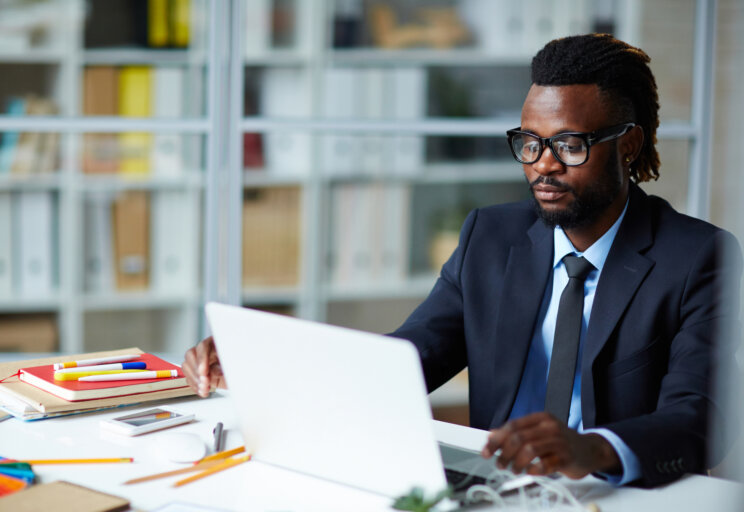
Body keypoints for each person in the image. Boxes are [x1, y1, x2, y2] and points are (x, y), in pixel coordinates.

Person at [182, 34, 741, 488]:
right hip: (495, 486)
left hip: (610, 491)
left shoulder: (698, 258)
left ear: (628, 145)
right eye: (530, 142)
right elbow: (410, 356)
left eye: (569, 144)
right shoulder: (490, 236)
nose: (542, 166)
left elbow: (700, 419)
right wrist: (268, 369)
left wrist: (589, 449)